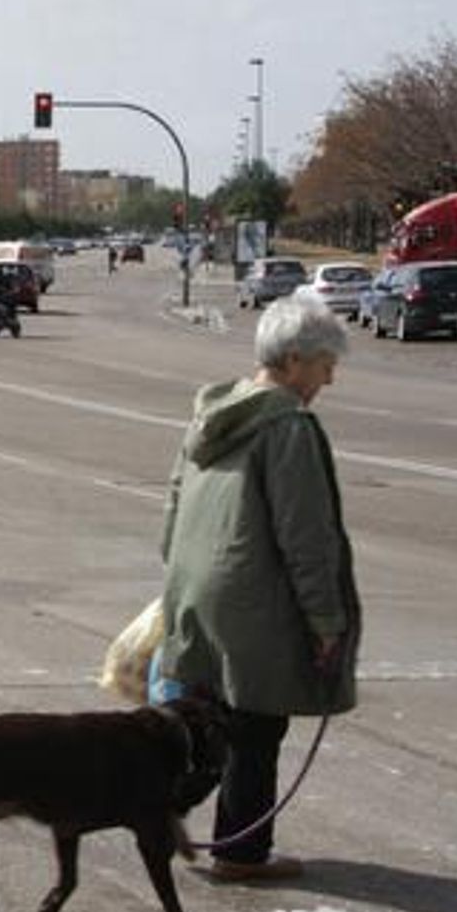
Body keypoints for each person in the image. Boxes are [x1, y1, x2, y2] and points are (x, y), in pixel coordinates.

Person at [156, 295, 360, 882]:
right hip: (253, 599)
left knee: (199, 719)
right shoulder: (288, 427)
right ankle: (240, 853)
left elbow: (172, 504)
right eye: (325, 365)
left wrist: (179, 578)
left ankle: (161, 821)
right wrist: (325, 623)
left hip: (195, 588)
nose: (330, 378)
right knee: (256, 724)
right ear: (294, 361)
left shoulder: (211, 414)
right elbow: (307, 536)